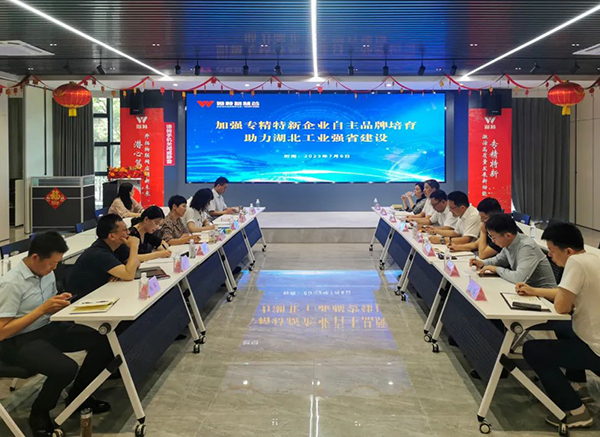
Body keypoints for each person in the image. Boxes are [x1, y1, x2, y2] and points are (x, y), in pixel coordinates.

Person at [0, 231, 112, 436]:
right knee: (65, 368)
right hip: (17, 340)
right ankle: (39, 412)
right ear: (35, 258)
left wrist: (59, 303)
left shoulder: (46, 273)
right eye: (51, 263)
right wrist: (42, 309)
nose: (54, 268)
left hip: (47, 328)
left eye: (57, 263)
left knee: (102, 340)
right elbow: (2, 332)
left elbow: (47, 305)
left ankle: (79, 395)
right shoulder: (11, 283)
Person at [519, 223, 600, 429]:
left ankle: (575, 411)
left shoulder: (575, 263)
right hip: (592, 340)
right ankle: (577, 385)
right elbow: (568, 292)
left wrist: (567, 303)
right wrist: (535, 291)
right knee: (564, 329)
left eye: (552, 251)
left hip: (595, 349)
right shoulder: (592, 257)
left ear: (568, 251)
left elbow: (562, 306)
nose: (550, 256)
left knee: (533, 350)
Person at [469, 214, 557, 288]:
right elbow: (499, 260)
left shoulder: (527, 247)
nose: (492, 241)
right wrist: (482, 263)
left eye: (494, 237)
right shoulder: (509, 243)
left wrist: (496, 269)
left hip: (545, 296)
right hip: (526, 289)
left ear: (508, 235)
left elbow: (518, 278)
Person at [68, 214, 141, 298]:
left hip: (102, 292)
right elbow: (129, 275)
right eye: (124, 230)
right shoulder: (99, 253)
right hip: (83, 298)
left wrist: (120, 272)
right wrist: (134, 247)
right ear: (112, 236)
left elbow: (136, 263)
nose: (128, 233)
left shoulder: (118, 245)